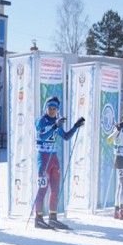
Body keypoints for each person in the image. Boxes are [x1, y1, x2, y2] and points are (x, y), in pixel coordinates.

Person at [33, 97, 85, 230]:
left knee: (56, 189)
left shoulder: (57, 120)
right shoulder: (42, 120)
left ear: (57, 109)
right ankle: (38, 219)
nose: (51, 110)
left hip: (54, 158)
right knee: (42, 189)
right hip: (43, 158)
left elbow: (66, 137)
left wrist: (75, 126)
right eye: (49, 108)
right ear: (46, 108)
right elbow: (42, 136)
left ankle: (53, 218)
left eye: (54, 108)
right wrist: (55, 126)